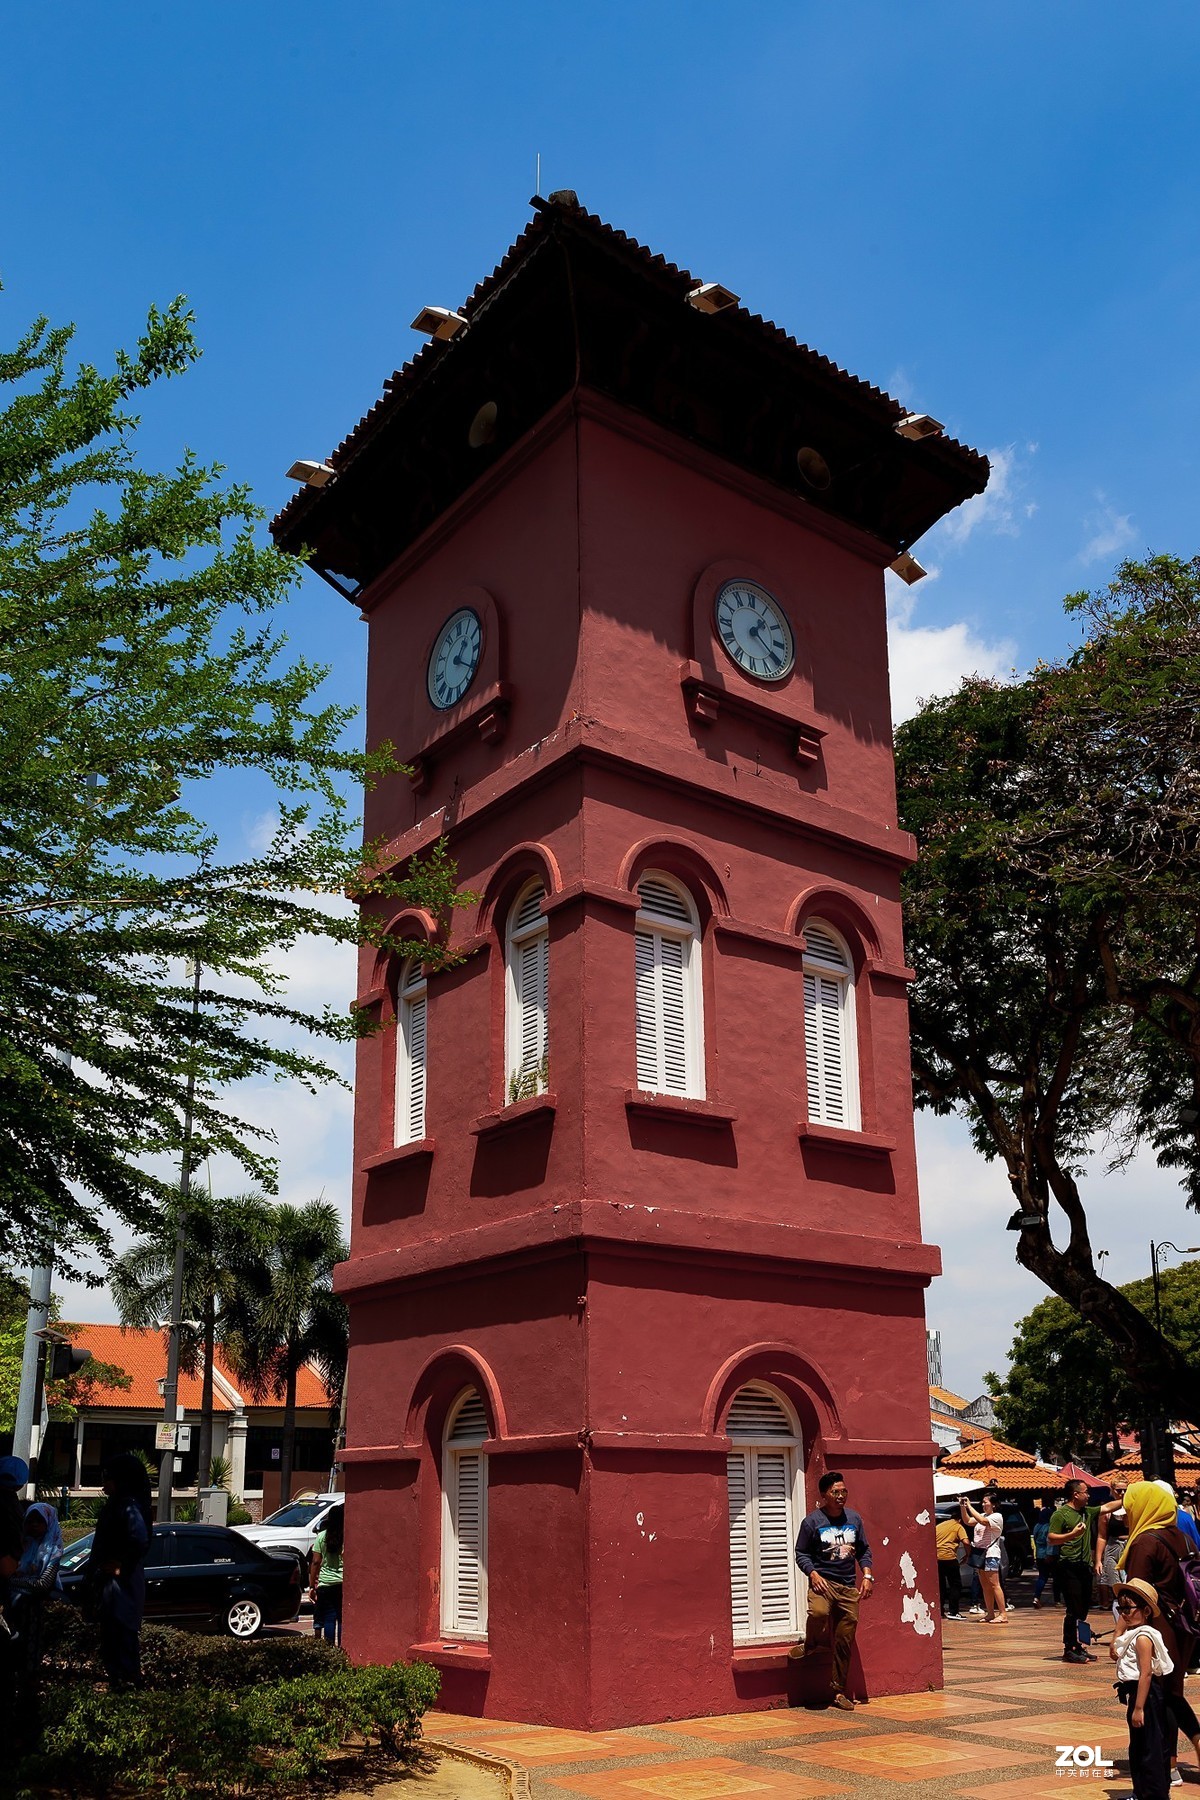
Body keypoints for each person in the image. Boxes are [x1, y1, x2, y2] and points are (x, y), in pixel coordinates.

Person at [1118, 1481, 1200, 1787]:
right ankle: (1183, 1752)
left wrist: (1121, 1634)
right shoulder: (1182, 1537)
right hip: (1186, 1625)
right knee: (1173, 1693)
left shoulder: (1144, 1543)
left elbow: (1134, 1597)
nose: (1127, 1516)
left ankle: (1167, 1766)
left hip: (1157, 1628)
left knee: (1157, 1697)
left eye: (1130, 1509)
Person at [790, 1471, 874, 1710]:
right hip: (823, 1582)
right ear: (824, 1495)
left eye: (843, 1491)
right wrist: (813, 1573)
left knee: (844, 1639)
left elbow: (864, 1550)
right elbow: (801, 1553)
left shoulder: (854, 1519)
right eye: (835, 1492)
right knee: (817, 1613)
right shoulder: (812, 1522)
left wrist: (867, 1575)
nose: (840, 1496)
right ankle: (810, 1645)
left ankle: (838, 1690)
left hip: (848, 1587)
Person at [83, 1452, 152, 1690]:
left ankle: (126, 1688)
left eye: (108, 1478)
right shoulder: (119, 1504)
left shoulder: (128, 1505)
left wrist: (120, 1564)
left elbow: (139, 1539)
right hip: (113, 1583)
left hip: (122, 1585)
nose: (103, 1485)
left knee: (121, 1637)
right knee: (111, 1639)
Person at [1110, 1577, 1174, 1800]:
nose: (1124, 1614)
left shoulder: (1143, 1638)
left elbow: (1146, 1673)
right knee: (1138, 1748)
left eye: (1129, 1608)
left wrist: (1139, 1708)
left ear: (1146, 1610)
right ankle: (1141, 1792)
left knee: (1149, 1749)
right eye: (1121, 1608)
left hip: (1145, 1695)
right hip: (1137, 1693)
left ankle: (1153, 1794)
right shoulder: (1133, 1634)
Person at [1050, 1478, 1100, 1663]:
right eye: (1085, 1492)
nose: (1088, 1495)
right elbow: (1051, 1538)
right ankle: (1069, 1648)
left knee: (1084, 1609)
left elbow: (1109, 1507)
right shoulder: (1061, 1514)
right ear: (1075, 1494)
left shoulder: (1087, 1512)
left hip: (1084, 1566)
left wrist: (1122, 1493)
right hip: (1067, 1566)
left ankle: (1081, 1645)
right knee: (1074, 1609)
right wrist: (1072, 1535)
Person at [961, 1486, 1006, 1624]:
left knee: (994, 1584)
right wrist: (963, 1507)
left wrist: (969, 1506)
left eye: (985, 1502)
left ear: (993, 1504)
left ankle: (1002, 1613)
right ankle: (990, 1613)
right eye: (982, 1502)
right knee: (985, 1585)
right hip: (980, 1554)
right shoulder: (983, 1515)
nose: (983, 1504)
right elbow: (968, 1521)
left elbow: (982, 1521)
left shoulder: (996, 1516)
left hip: (991, 1554)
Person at [308, 1505, 344, 1645]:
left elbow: (316, 1562)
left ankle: (330, 1649)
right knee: (342, 1619)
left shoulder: (322, 1536)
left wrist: (312, 1586)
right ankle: (343, 1649)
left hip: (325, 1583)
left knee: (329, 1617)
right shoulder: (346, 1535)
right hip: (342, 1583)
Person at [1097, 1477, 1130, 1606]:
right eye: (1119, 1490)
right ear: (1112, 1490)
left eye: (1125, 1490)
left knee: (1129, 1584)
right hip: (1112, 1547)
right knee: (1116, 1586)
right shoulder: (1107, 1511)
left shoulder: (1133, 1508)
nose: (1122, 1493)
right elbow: (1101, 1536)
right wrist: (1099, 1560)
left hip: (1129, 1545)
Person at [936, 1509, 968, 1620]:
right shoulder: (958, 1526)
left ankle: (939, 1612)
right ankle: (953, 1612)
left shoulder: (940, 1526)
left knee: (940, 1586)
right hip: (949, 1558)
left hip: (937, 1559)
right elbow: (966, 1542)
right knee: (956, 1585)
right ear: (960, 1519)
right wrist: (968, 1554)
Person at [1032, 1501, 1060, 1607]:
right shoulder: (1050, 1527)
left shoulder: (1037, 1526)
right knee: (1056, 1578)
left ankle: (1036, 1597)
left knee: (1042, 1577)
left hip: (1039, 1554)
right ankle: (1057, 1600)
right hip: (1051, 1555)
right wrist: (1049, 1554)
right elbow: (1050, 1542)